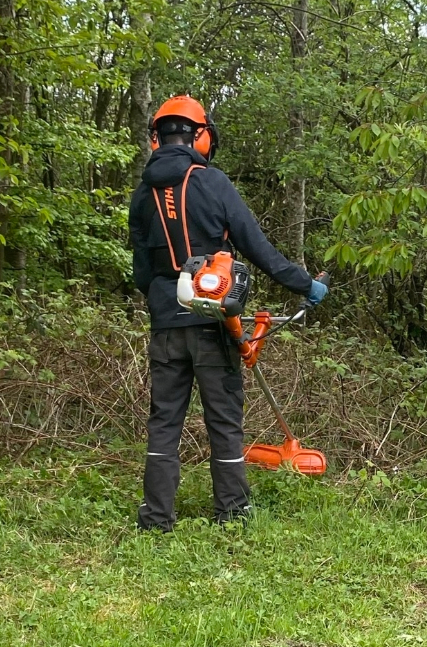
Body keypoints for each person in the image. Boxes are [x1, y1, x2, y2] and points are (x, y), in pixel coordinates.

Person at [128, 95, 328, 531]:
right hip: (212, 323)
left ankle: (157, 518)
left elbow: (142, 271)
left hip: (165, 325)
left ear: (157, 138)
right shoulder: (212, 183)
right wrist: (306, 285)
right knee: (223, 419)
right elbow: (257, 248)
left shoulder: (142, 195)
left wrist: (165, 300)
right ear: (200, 135)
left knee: (164, 421)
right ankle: (232, 513)